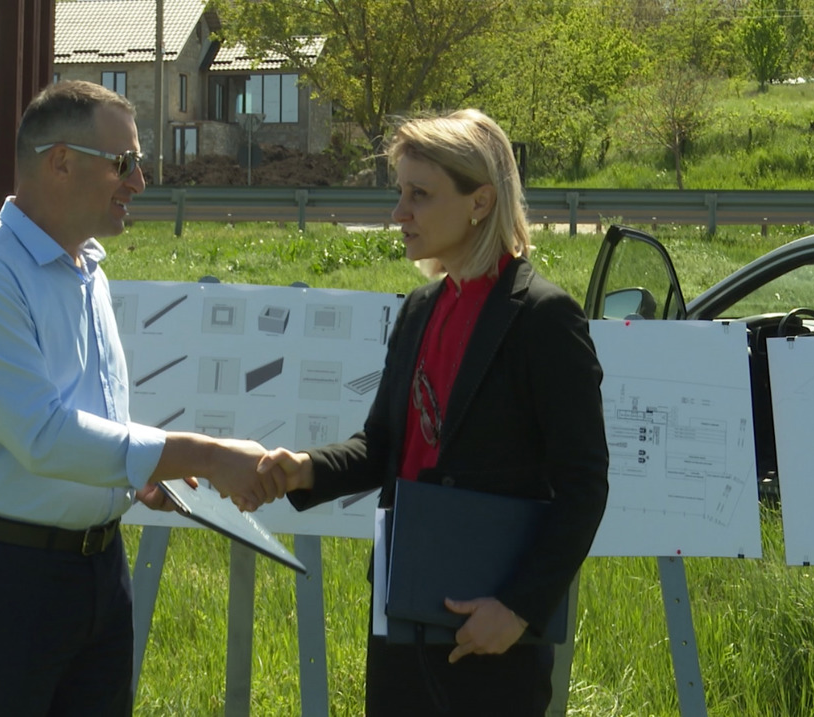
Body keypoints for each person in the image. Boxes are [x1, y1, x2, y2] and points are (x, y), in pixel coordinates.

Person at [0, 80, 279, 716]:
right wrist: (206, 454)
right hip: (2, 580)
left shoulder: (86, 268)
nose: (139, 180)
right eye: (124, 162)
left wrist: (133, 477)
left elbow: (88, 415)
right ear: (60, 161)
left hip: (97, 571)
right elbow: (44, 438)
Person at [258, 109, 609, 716]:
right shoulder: (419, 308)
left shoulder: (544, 318)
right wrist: (302, 469)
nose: (400, 213)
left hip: (490, 629)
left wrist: (519, 608)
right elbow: (381, 447)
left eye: (419, 195)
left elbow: (585, 485)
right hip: (403, 611)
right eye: (400, 193)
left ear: (480, 201)